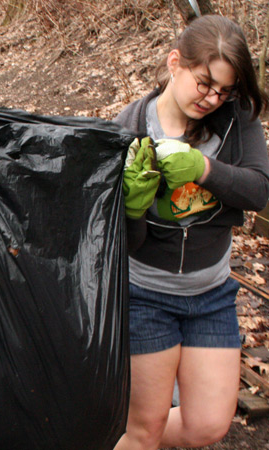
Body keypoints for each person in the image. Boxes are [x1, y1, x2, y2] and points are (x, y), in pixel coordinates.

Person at [115, 15, 269, 450]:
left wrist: (203, 168)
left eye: (224, 90)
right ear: (175, 63)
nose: (212, 98)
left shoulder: (235, 118)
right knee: (145, 430)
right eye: (204, 83)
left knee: (207, 426)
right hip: (145, 295)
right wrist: (132, 207)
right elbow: (124, 245)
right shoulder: (129, 129)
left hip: (211, 295)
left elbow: (258, 189)